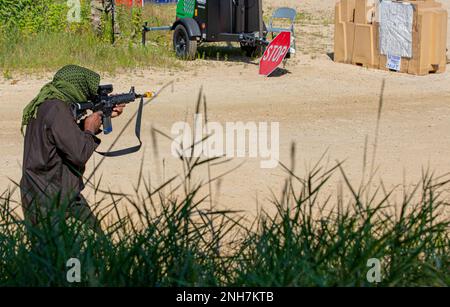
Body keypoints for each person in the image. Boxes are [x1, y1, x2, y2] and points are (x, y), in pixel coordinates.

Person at [20, 65, 125, 234]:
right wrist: (90, 129)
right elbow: (79, 153)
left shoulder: (46, 103)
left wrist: (99, 120)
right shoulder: (58, 109)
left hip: (43, 192)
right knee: (81, 251)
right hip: (52, 198)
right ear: (76, 88)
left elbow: (63, 137)